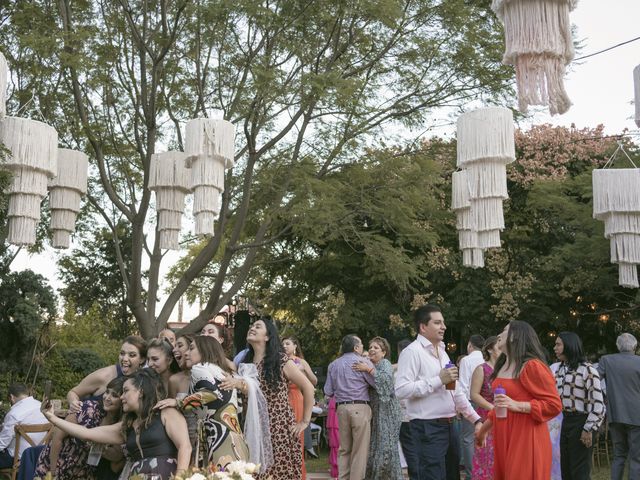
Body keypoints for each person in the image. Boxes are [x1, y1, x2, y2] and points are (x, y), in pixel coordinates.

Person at [42, 369, 191, 480]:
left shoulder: (166, 413)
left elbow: (185, 446)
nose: (121, 397)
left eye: (125, 391)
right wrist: (52, 418)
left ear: (140, 391)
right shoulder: (128, 425)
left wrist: (179, 478)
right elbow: (87, 433)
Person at [221, 316, 315, 480]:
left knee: (279, 473)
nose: (252, 328)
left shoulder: (280, 360)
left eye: (258, 327)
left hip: (278, 427)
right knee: (255, 472)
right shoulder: (244, 363)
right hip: (253, 428)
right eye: (252, 326)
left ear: (267, 336)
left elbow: (308, 387)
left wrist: (305, 422)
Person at [395, 305, 481, 480]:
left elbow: (454, 391)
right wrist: (437, 380)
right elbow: (401, 390)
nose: (444, 326)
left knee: (452, 476)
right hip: (426, 427)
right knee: (432, 476)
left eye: (443, 322)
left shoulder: (443, 353)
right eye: (437, 322)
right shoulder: (412, 352)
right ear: (423, 327)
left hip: (450, 426)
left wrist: (476, 419)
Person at [475, 321, 562, 480]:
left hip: (526, 437)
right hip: (504, 435)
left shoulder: (532, 366)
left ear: (515, 336)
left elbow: (554, 405)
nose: (499, 334)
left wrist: (518, 405)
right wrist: (483, 430)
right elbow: (500, 406)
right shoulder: (501, 366)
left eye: (505, 330)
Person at [156, 335, 249, 470]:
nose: (187, 353)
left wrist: (178, 402)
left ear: (205, 350)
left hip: (217, 440)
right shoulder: (224, 372)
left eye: (192, 348)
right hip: (236, 440)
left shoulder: (199, 368)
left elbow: (210, 394)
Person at [35, 377, 126, 480]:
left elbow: (117, 456)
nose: (107, 397)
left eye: (114, 395)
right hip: (58, 462)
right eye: (107, 392)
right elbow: (57, 437)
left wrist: (102, 449)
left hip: (83, 471)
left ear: (123, 400)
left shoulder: (120, 424)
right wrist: (52, 472)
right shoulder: (87, 409)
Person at [554, 331, 605, 480]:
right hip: (565, 421)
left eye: (558, 344)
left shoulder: (588, 370)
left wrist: (588, 429)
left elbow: (598, 404)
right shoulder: (560, 369)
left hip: (582, 421)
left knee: (580, 471)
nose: (554, 348)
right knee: (565, 468)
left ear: (569, 346)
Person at [324, 334, 376, 480]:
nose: (363, 347)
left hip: (341, 409)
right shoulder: (363, 362)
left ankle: (342, 478)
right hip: (360, 406)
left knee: (344, 449)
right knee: (360, 450)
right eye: (361, 345)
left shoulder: (333, 365)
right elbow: (376, 383)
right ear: (356, 347)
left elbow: (328, 391)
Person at [353, 336, 403, 480]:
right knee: (375, 445)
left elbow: (387, 382)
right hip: (375, 410)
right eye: (371, 347)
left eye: (376, 348)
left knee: (386, 447)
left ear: (384, 352)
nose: (372, 350)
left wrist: (368, 369)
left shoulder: (385, 363)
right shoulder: (369, 364)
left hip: (388, 411)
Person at [597, 332, 640, 480]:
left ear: (617, 346)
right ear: (635, 346)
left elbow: (594, 382)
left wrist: (602, 400)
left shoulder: (606, 360)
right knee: (636, 458)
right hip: (637, 416)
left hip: (615, 414)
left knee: (619, 455)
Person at [66, 336, 147, 413]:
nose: (124, 359)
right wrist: (73, 403)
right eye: (122, 353)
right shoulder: (104, 376)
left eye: (132, 355)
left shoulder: (143, 380)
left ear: (142, 359)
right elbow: (73, 392)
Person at [282, 335, 318, 472]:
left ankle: (298, 471)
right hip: (282, 398)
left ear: (295, 346)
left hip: (296, 399)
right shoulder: (279, 361)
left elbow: (314, 382)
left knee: (296, 434)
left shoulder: (300, 361)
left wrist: (304, 371)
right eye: (283, 344)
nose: (284, 346)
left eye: (287, 343)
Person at [469, 335, 499, 479]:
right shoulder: (481, 369)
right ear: (490, 349)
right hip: (486, 417)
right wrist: (492, 407)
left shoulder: (505, 369)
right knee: (485, 455)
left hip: (503, 417)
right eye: (498, 346)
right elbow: (474, 394)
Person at [0, 383, 48, 469]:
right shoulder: (41, 406)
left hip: (17, 458)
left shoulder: (14, 414)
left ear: (11, 397)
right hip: (40, 454)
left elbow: (2, 443)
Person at [458, 334, 485, 480]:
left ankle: (470, 475)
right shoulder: (485, 359)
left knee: (468, 439)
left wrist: (460, 406)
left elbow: (462, 385)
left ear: (470, 345)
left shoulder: (466, 360)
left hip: (470, 402)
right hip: (486, 402)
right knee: (485, 437)